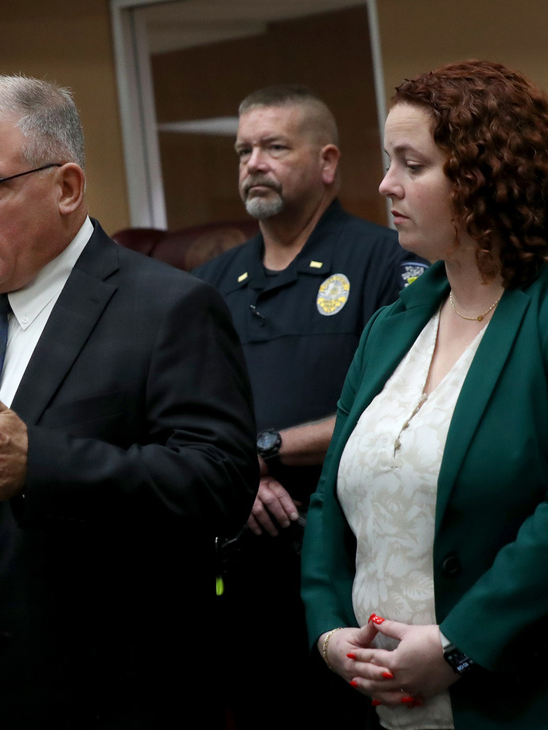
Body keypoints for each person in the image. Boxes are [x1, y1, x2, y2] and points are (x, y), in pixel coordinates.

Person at [0, 74, 256, 727]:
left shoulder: (168, 308)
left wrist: (42, 464)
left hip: (95, 694)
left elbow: (219, 483)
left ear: (66, 187)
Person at [303, 59, 548, 729]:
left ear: (484, 177)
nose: (386, 185)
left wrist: (459, 646)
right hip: (385, 702)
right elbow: (327, 498)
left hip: (533, 695)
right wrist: (327, 631)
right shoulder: (393, 322)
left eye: (413, 165)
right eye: (388, 162)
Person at [191, 85, 425, 727]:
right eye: (243, 150)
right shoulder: (212, 281)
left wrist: (259, 452)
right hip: (238, 549)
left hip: (345, 551)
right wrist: (236, 472)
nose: (252, 163)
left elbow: (394, 407)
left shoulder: (389, 260)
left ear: (327, 163)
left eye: (273, 147)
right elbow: (186, 411)